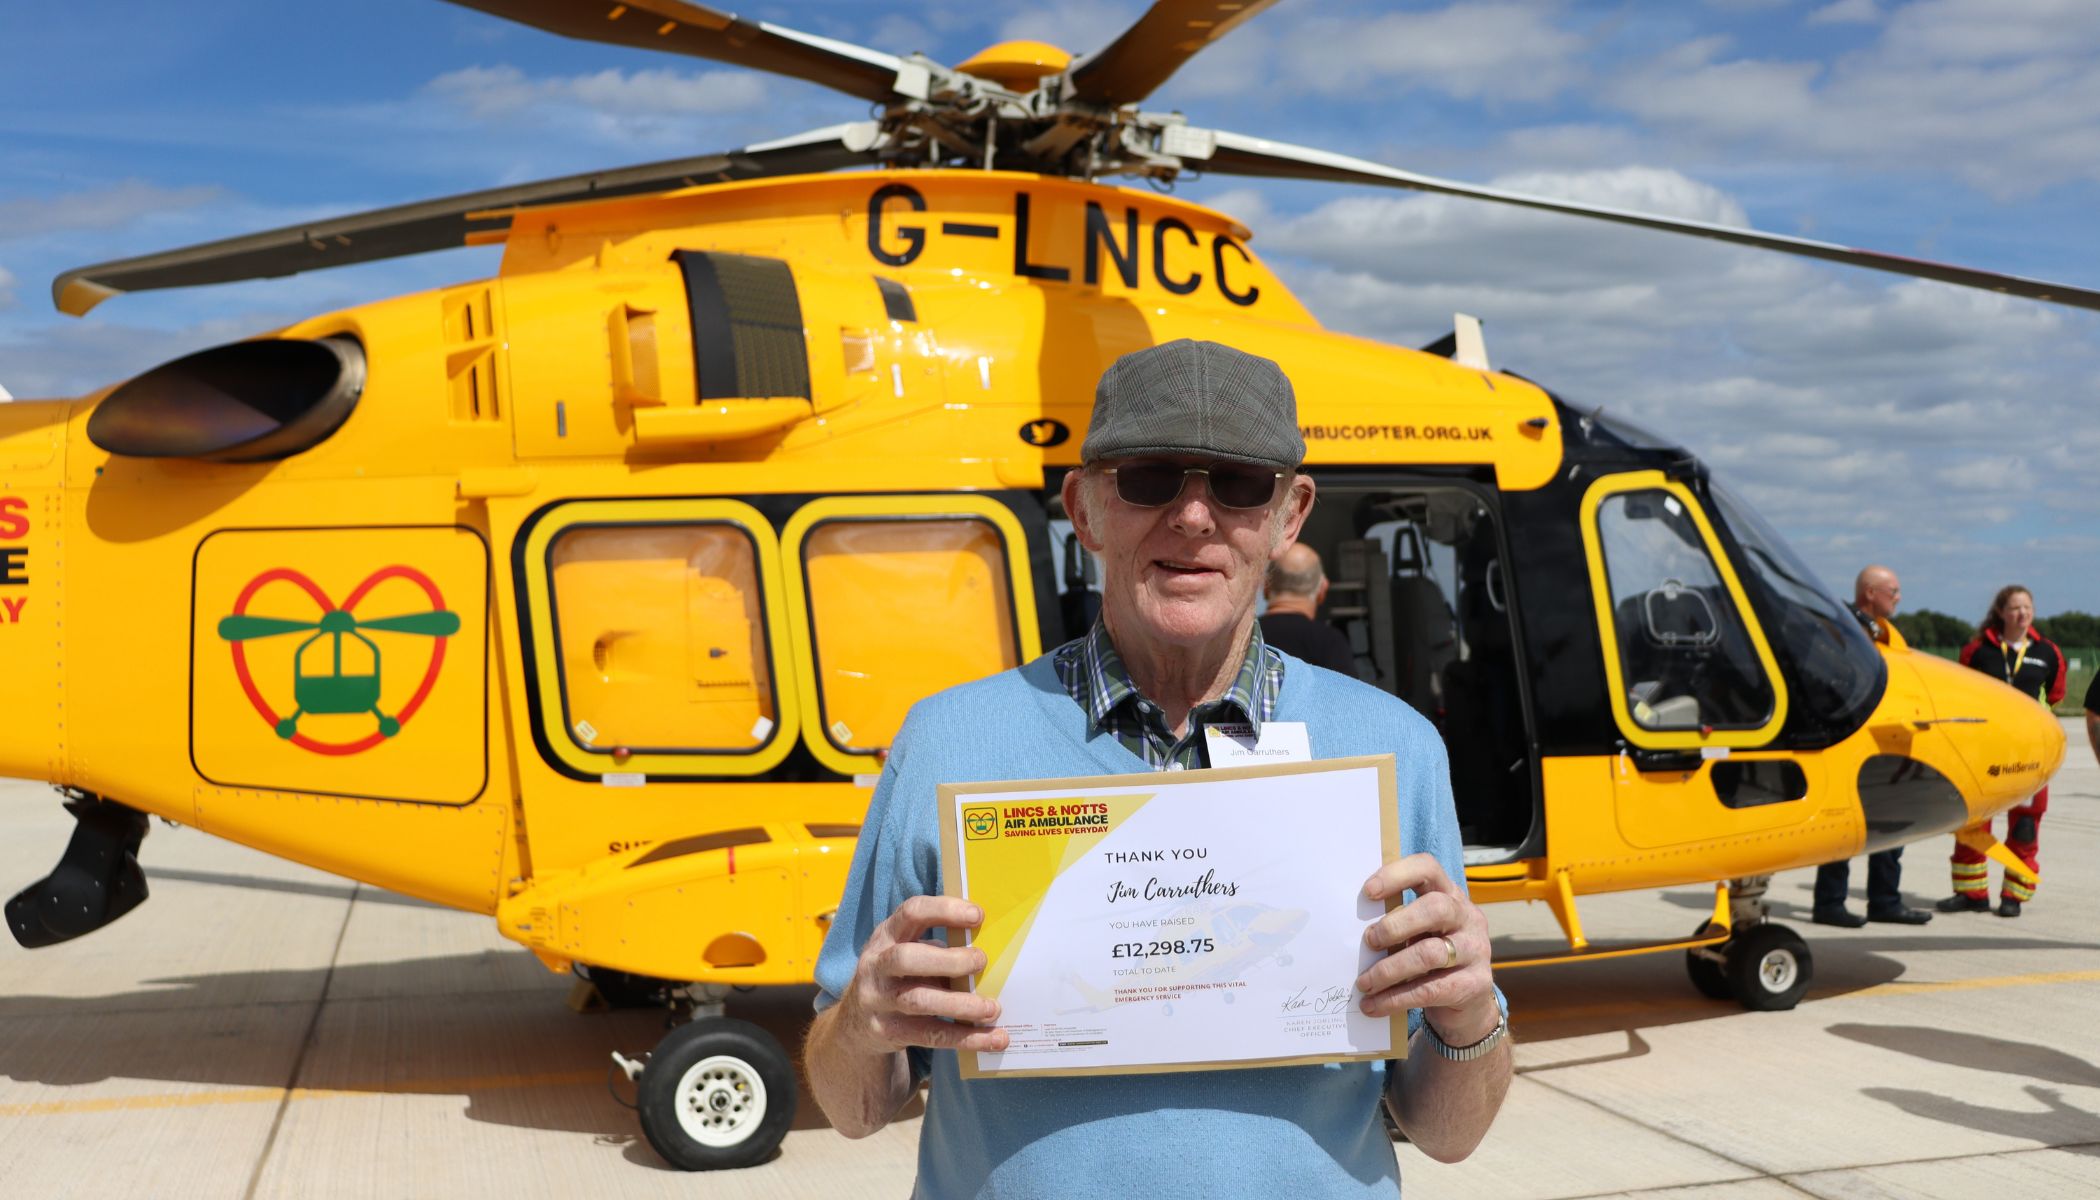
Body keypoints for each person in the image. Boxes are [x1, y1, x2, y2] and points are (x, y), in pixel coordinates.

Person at [804, 340, 1511, 1197]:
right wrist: (859, 1029)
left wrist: (1469, 1016)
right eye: (1150, 478)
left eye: (1240, 483)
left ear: (1290, 516)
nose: (1194, 517)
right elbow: (853, 1108)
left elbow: (1450, 1133)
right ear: (1085, 507)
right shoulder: (948, 744)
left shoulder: (1393, 750)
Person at [1811, 566, 1931, 926]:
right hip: (1852, 741)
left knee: (1892, 823)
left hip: (1889, 739)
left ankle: (1885, 901)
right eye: (1892, 591)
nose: (1898, 597)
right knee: (1844, 826)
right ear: (1870, 592)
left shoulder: (1887, 631)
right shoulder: (1842, 628)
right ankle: (1829, 904)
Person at [1940, 584, 2065, 918]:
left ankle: (2014, 895)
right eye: (2014, 608)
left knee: (2025, 827)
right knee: (1973, 825)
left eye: (2027, 607)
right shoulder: (1978, 651)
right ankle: (1971, 894)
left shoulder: (2048, 652)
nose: (2021, 614)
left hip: (2029, 756)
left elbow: (2055, 694)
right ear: (2000, 613)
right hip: (1983, 754)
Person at [1261, 542, 1358, 675]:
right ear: (1322, 590)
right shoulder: (1330, 642)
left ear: (1266, 587)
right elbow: (1347, 694)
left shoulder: (1244, 637)